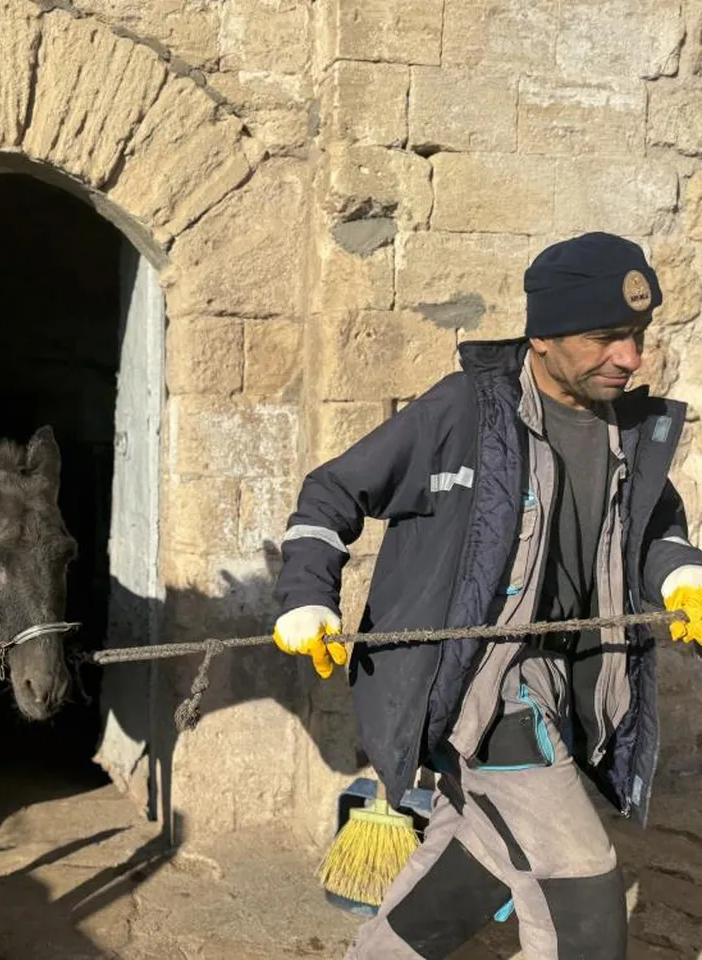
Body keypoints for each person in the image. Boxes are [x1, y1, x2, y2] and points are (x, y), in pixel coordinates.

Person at [270, 231, 702, 960]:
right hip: (484, 687)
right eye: (605, 338)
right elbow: (332, 491)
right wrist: (306, 597)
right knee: (582, 898)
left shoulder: (631, 430)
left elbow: (654, 530)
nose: (630, 358)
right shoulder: (465, 411)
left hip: (572, 682)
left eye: (636, 335)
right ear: (543, 336)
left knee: (474, 864)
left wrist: (683, 576)